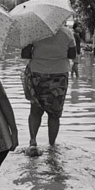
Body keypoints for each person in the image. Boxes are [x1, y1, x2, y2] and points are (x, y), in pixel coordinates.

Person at [21, 25, 76, 155]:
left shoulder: (34, 32)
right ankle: (52, 147)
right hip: (59, 76)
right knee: (54, 114)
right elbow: (72, 54)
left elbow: (24, 54)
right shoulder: (67, 33)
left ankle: (33, 142)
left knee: (35, 110)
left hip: (37, 75)